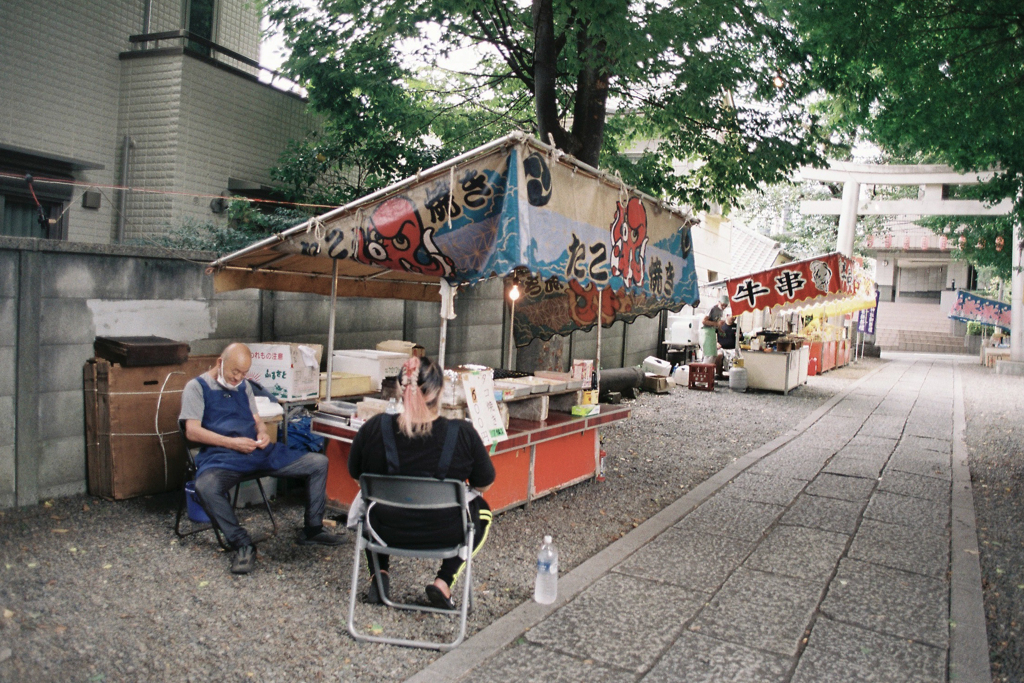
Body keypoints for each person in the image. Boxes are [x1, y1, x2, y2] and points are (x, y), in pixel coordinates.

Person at [179, 343, 343, 575]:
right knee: (205, 486)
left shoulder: (244, 385)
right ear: (220, 362)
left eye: (244, 373)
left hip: (256, 451)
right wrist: (231, 443)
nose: (238, 378)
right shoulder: (195, 388)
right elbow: (192, 432)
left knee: (318, 463)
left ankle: (313, 529)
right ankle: (242, 543)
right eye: (234, 372)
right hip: (222, 456)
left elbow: (256, 418)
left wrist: (263, 433)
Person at [347, 355, 495, 609]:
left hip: (385, 528)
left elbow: (355, 475)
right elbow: (484, 485)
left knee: (368, 505)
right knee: (482, 513)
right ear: (439, 393)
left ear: (399, 390)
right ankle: (443, 582)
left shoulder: (373, 428)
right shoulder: (463, 434)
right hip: (446, 530)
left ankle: (379, 575)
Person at [701, 293, 729, 362]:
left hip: (712, 333)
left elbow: (717, 323)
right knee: (708, 354)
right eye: (723, 305)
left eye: (726, 306)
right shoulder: (712, 308)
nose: (724, 307)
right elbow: (704, 321)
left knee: (714, 355)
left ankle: (710, 370)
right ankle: (705, 370)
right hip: (706, 332)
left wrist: (720, 330)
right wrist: (717, 323)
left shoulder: (721, 311)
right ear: (719, 302)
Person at [715, 314, 740, 378]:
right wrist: (716, 343)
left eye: (735, 317)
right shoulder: (721, 325)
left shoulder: (736, 326)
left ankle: (734, 375)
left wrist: (739, 336)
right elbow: (713, 335)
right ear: (727, 316)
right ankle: (718, 373)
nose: (733, 318)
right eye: (732, 317)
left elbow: (741, 338)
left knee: (738, 356)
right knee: (719, 355)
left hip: (733, 349)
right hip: (722, 348)